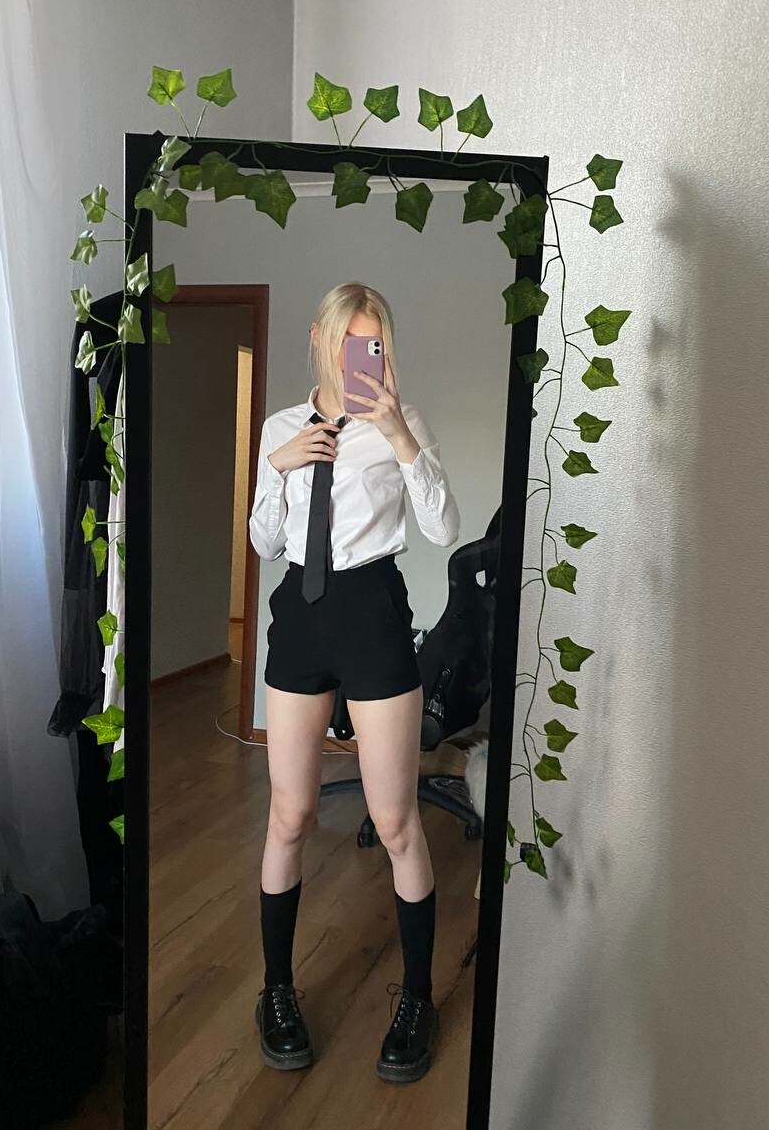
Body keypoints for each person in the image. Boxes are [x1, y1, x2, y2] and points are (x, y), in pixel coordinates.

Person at [248, 282, 460, 1083]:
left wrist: (401, 436)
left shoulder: (402, 425)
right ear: (319, 338)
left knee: (397, 822)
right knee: (290, 813)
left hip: (373, 614)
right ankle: (275, 990)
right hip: (301, 618)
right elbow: (265, 541)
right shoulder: (279, 428)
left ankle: (418, 999)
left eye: (372, 344)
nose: (357, 359)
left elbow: (443, 527)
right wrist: (278, 467)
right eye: (346, 342)